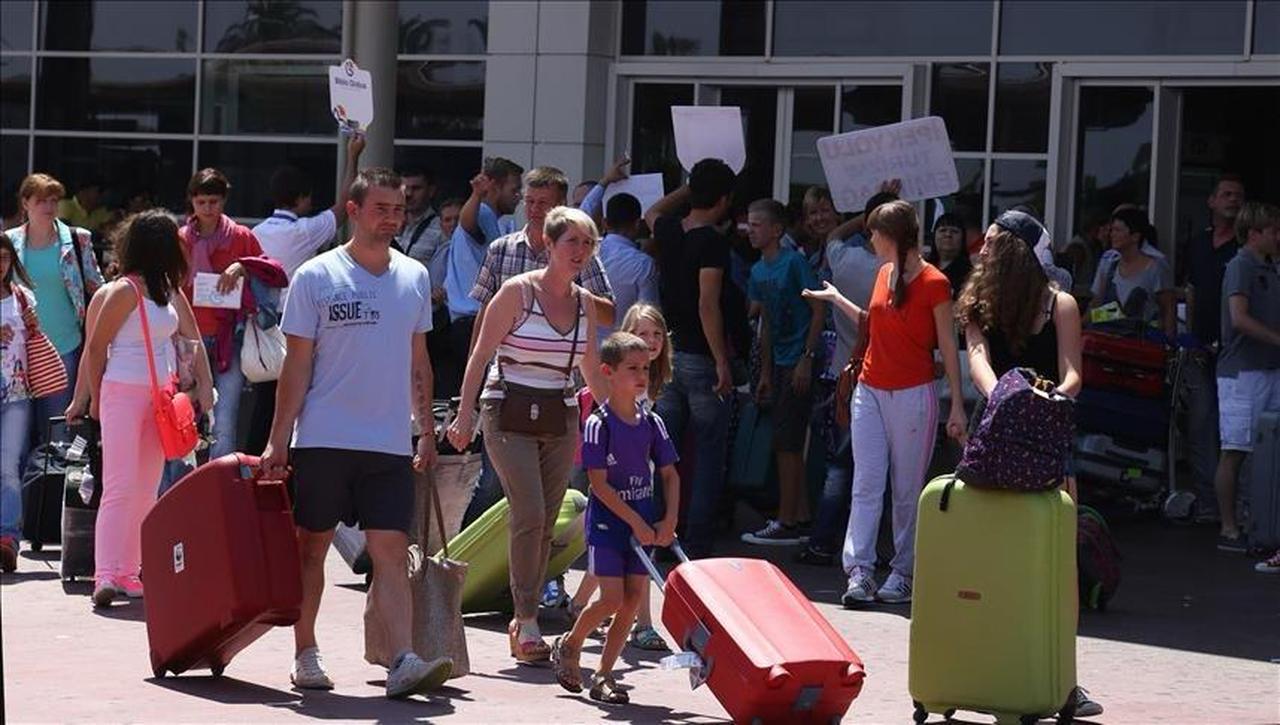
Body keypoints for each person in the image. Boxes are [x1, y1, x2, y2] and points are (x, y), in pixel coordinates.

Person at [260, 167, 453, 698]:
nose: (392, 217)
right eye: (381, 208)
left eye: (399, 209)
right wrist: (279, 440)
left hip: (389, 443)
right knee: (311, 549)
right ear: (353, 210)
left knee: (392, 552)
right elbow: (295, 368)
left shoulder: (414, 276)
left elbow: (420, 363)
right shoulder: (315, 276)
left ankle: (403, 659)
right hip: (322, 438)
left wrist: (427, 431)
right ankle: (305, 652)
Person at [955, 209, 1101, 720]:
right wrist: (1005, 398)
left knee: (1057, 560)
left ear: (1018, 249)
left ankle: (1066, 680)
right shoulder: (976, 302)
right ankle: (990, 669)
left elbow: (1073, 373)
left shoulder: (1059, 303)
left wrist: (1042, 402)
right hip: (996, 429)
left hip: (1047, 431)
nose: (982, 249)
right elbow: (977, 358)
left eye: (993, 241)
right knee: (990, 557)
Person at [446, 206, 605, 663]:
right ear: (550, 246)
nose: (580, 252)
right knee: (530, 511)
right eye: (571, 242)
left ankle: (526, 614)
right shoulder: (517, 292)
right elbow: (480, 356)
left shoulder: (585, 304)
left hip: (560, 413)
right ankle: (527, 617)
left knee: (547, 517)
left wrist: (617, 418)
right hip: (506, 408)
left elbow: (590, 368)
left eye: (588, 244)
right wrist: (464, 415)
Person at [803, 199, 967, 606]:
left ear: (892, 235)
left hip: (913, 394)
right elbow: (875, 324)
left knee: (907, 488)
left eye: (874, 231)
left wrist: (959, 406)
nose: (869, 237)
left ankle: (902, 571)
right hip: (871, 390)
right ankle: (859, 570)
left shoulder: (935, 282)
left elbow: (948, 345)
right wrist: (838, 299)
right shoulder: (883, 273)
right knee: (866, 483)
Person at [65, 211, 214, 607]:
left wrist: (206, 387)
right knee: (119, 485)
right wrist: (94, 400)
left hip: (160, 397)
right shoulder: (123, 291)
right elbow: (95, 349)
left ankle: (129, 572)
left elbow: (192, 338)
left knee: (146, 487)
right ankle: (106, 574)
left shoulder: (167, 290)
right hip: (122, 395)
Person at [551, 331, 679, 704]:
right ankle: (571, 643)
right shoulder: (598, 424)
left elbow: (670, 474)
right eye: (632, 368)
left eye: (646, 368)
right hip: (608, 525)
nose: (641, 376)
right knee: (610, 599)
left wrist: (668, 518)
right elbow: (599, 485)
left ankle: (604, 674)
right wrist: (637, 522)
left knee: (633, 597)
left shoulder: (653, 423)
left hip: (642, 524)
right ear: (607, 371)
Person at [642, 158, 742, 558]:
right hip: (700, 355)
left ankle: (660, 533)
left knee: (664, 454)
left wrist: (689, 185)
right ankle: (696, 541)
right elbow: (708, 304)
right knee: (707, 453)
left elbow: (653, 212)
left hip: (668, 352)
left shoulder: (669, 229)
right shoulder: (712, 242)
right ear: (723, 200)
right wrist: (722, 359)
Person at [246, 137, 366, 455]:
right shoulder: (302, 232)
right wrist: (353, 156)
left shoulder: (256, 233)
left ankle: (255, 465)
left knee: (263, 402)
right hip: (294, 327)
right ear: (302, 198)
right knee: (298, 398)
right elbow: (345, 207)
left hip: (262, 326)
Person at [566, 303, 674, 651]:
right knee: (627, 552)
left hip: (637, 479)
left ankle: (580, 604)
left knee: (617, 557)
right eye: (643, 334)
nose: (652, 340)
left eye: (657, 334)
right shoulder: (625, 385)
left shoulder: (647, 379)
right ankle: (642, 624)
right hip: (615, 478)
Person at [797, 190, 892, 566]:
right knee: (881, 470)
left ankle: (823, 539)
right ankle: (878, 548)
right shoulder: (899, 275)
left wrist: (866, 214)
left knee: (841, 464)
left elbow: (833, 236)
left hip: (845, 373)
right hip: (887, 378)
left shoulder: (844, 259)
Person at [741, 198, 823, 545]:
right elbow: (767, 325)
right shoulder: (758, 271)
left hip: (799, 359)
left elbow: (818, 309)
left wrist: (807, 356)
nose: (750, 230)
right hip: (779, 362)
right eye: (749, 224)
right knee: (783, 440)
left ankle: (787, 520)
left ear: (777, 230)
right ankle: (799, 514)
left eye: (757, 224)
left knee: (788, 442)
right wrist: (764, 374)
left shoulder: (794, 263)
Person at [7, 173, 106, 451]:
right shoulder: (8, 243)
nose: (49, 206)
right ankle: (20, 495)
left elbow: (98, 291)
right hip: (18, 353)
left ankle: (51, 495)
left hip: (64, 348)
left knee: (58, 437)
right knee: (16, 440)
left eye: (54, 200)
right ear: (25, 203)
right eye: (41, 201)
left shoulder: (77, 240)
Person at [178, 168, 264, 460]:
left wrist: (242, 266)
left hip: (231, 338)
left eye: (213, 202)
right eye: (201, 203)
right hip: (190, 339)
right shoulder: (181, 239)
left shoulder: (241, 237)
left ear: (224, 201)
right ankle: (182, 485)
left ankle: (218, 486)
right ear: (192, 202)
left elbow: (270, 272)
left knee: (225, 416)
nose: (207, 209)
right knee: (185, 414)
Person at [1176, 174, 1246, 523]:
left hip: (1235, 352)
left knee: (1233, 430)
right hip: (1200, 349)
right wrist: (1190, 338)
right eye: (1227, 194)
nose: (1233, 200)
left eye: (1239, 196)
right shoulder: (1198, 244)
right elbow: (1189, 290)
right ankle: (1207, 505)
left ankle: (1239, 508)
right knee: (1200, 426)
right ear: (1212, 201)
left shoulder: (1246, 247)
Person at [1212, 202, 1280, 553]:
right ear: (1254, 233)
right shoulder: (1240, 265)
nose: (1278, 237)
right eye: (1273, 231)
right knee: (1236, 449)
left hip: (1270, 369)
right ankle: (1228, 526)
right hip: (1242, 373)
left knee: (1267, 450)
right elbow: (1238, 318)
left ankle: (1260, 519)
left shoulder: (1273, 267)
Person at [445, 157, 524, 354]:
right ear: (495, 187)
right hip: (470, 322)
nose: (518, 196)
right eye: (513, 190)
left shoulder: (496, 220)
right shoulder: (482, 213)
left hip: (474, 320)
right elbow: (467, 223)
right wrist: (476, 195)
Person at [1, 233, 42, 572]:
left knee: (8, 466)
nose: (0, 264)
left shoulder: (22, 297)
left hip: (16, 394)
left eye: (4, 257)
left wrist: (32, 327)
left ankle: (8, 538)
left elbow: (33, 341)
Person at [1089, 207, 1175, 339]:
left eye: (1118, 230)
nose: (1112, 234)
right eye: (1112, 230)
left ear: (1135, 236)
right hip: (1107, 343)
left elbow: (1168, 308)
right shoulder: (1109, 266)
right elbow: (1096, 306)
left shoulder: (1155, 268)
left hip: (1142, 346)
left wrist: (1169, 343)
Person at [596, 193, 657, 337]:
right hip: (624, 347)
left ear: (605, 222)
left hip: (586, 346)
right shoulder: (643, 263)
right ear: (637, 224)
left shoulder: (587, 252)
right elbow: (647, 313)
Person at [927, 212, 973, 300]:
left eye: (954, 231)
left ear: (963, 238)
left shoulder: (969, 274)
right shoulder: (923, 268)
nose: (948, 235)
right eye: (943, 230)